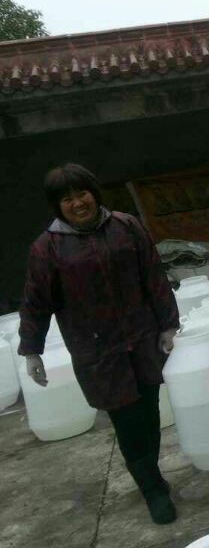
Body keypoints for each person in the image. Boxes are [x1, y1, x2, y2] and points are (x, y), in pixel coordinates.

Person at [20, 164, 180, 524]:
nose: (78, 203)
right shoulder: (47, 248)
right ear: (57, 205)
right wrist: (32, 349)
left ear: (94, 192)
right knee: (127, 423)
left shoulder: (126, 226)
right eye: (67, 199)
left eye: (82, 193)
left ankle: (151, 475)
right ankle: (153, 490)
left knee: (150, 415)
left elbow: (154, 275)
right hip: (98, 353)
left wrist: (168, 323)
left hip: (142, 340)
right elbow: (35, 301)